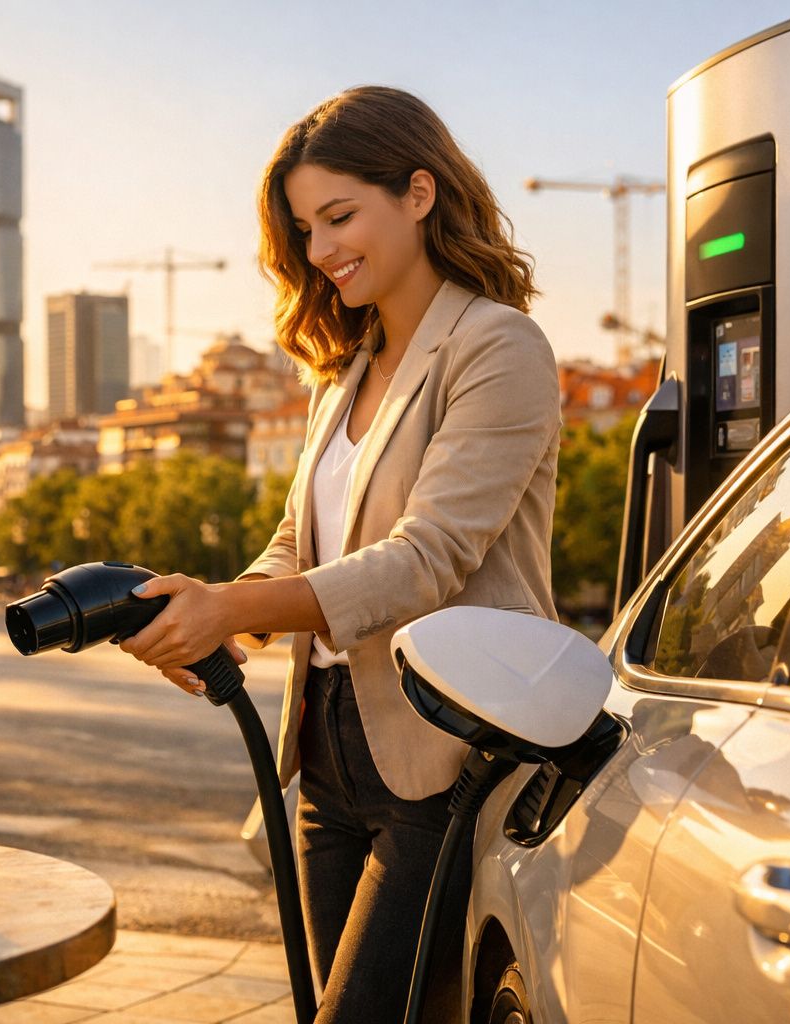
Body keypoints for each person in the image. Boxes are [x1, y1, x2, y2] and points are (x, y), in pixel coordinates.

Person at [118, 86, 560, 1022]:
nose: (320, 251)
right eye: (303, 229)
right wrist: (216, 609)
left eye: (339, 216)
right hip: (325, 748)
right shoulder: (344, 370)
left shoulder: (498, 347)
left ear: (419, 192)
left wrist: (231, 609)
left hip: (445, 756)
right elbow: (297, 542)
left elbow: (426, 558)